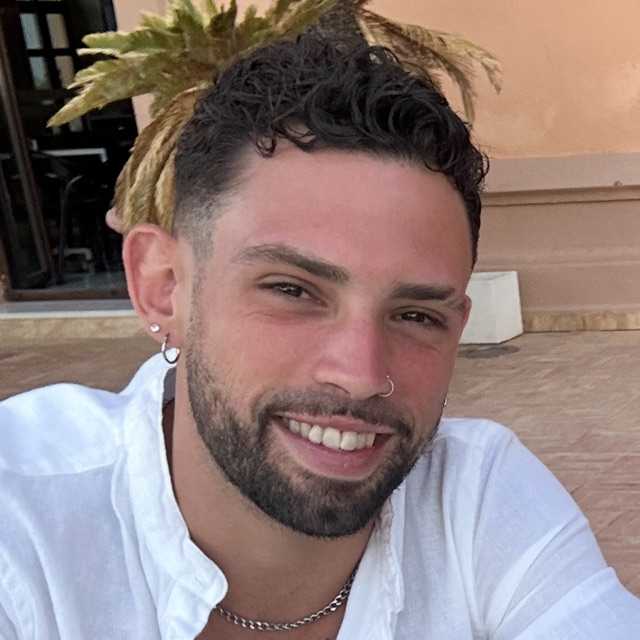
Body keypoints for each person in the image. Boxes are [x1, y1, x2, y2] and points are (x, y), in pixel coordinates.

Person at [1, 34, 638, 640]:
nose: (361, 376)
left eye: (416, 315)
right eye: (292, 290)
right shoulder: (22, 520)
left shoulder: (475, 499)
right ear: (164, 287)